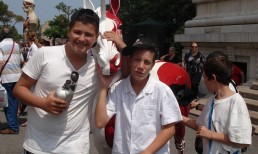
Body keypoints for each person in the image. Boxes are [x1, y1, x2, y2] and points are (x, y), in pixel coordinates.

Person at [13, 9, 124, 154]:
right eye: (77, 32)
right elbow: (19, 89)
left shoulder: (97, 68)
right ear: (68, 32)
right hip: (37, 146)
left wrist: (121, 44)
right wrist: (43, 104)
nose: (82, 38)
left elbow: (134, 70)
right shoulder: (45, 55)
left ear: (97, 37)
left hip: (75, 148)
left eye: (89, 35)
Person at [95, 37, 182, 154]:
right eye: (137, 60)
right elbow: (100, 122)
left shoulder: (162, 91)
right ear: (130, 61)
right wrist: (103, 88)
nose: (141, 66)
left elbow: (170, 129)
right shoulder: (118, 88)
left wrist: (147, 152)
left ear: (152, 65)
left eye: (147, 62)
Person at [183, 51, 252, 154]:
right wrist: (177, 116)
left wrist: (210, 134)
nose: (203, 80)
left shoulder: (236, 102)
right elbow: (200, 126)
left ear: (213, 78)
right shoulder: (211, 100)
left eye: (205, 76)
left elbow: (242, 141)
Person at [0, 26, 24, 134]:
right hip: (17, 77)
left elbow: (0, 62)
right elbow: (21, 60)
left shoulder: (1, 45)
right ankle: (13, 124)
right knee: (14, 102)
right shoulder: (17, 45)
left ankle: (13, 127)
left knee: (7, 103)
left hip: (7, 77)